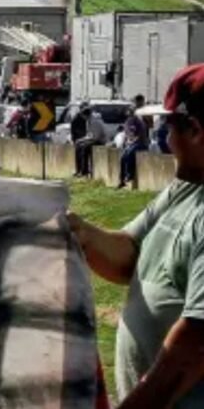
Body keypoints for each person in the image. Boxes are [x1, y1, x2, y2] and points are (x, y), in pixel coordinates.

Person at [67, 65, 204, 407]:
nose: (165, 140)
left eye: (167, 127)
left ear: (196, 130)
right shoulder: (187, 189)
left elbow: (195, 344)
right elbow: (129, 253)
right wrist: (77, 233)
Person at [118, 102, 150, 189]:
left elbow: (138, 135)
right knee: (122, 157)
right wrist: (126, 142)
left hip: (141, 143)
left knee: (130, 154)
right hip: (132, 143)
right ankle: (121, 180)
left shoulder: (138, 122)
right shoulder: (128, 122)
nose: (129, 113)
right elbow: (127, 134)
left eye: (131, 111)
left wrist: (131, 142)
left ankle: (130, 175)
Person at [74, 107, 108, 177]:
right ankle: (79, 170)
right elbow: (89, 135)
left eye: (82, 115)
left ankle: (85, 171)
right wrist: (80, 140)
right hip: (93, 139)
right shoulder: (88, 121)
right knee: (78, 147)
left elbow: (95, 137)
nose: (82, 117)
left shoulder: (95, 121)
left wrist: (85, 141)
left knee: (85, 148)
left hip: (100, 141)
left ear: (86, 115)